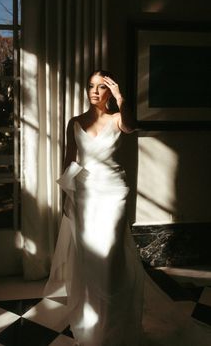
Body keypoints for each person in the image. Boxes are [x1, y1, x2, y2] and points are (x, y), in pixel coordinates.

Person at [44, 70, 211, 346]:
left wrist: (122, 99)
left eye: (101, 87)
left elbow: (133, 127)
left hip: (113, 192)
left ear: (110, 91)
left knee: (111, 258)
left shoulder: (117, 117)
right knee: (89, 258)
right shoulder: (75, 122)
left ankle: (116, 325)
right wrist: (67, 199)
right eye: (91, 87)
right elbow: (69, 161)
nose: (95, 92)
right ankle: (92, 323)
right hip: (85, 194)